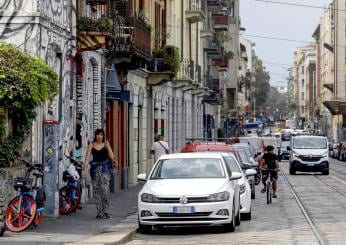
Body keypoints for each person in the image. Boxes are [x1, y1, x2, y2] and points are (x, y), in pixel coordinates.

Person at [83, 129, 117, 219]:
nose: (99, 136)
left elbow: (112, 157)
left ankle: (105, 210)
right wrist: (85, 170)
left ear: (103, 136)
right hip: (94, 170)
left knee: (105, 190)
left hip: (105, 169)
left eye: (101, 134)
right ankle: (99, 212)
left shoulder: (105, 145)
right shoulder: (92, 144)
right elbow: (87, 158)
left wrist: (108, 146)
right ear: (95, 135)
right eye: (98, 134)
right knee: (97, 191)